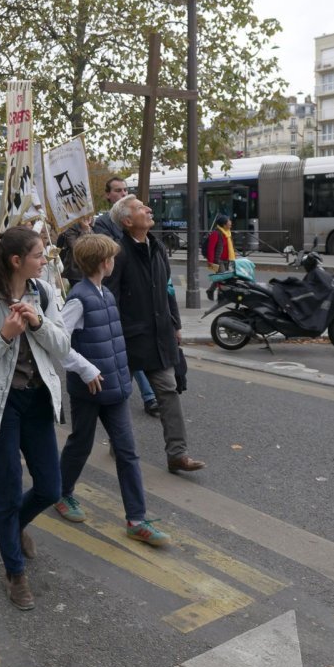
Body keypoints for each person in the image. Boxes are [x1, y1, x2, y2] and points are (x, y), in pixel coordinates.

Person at [0, 227, 70, 611]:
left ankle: (13, 526)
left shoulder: (45, 293)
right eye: (39, 255)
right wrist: (4, 336)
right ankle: (15, 571)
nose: (45, 260)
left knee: (50, 489)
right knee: (8, 488)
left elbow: (63, 345)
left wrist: (37, 324)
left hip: (38, 401)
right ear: (16, 261)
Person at [54, 234, 170, 547]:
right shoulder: (79, 297)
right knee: (81, 443)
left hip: (114, 387)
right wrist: (86, 369)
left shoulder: (105, 293)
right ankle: (62, 493)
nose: (114, 262)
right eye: (112, 258)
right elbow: (58, 344)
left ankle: (136, 519)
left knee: (128, 451)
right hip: (89, 389)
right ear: (104, 262)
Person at [105, 195, 205, 474]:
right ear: (127, 221)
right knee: (120, 396)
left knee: (169, 391)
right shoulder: (118, 253)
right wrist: (113, 333)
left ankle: (177, 454)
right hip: (127, 338)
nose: (148, 210)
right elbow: (110, 297)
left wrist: (175, 324)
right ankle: (119, 443)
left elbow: (167, 289)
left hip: (159, 337)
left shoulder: (158, 246)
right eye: (140, 209)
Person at [93, 178, 158, 417]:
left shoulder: (150, 240)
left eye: (125, 189)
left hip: (138, 309)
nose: (123, 193)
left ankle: (148, 397)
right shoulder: (102, 224)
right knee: (125, 362)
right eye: (118, 190)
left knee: (134, 360)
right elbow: (104, 252)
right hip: (113, 290)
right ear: (109, 195)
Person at [56, 215, 94, 286]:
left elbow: (94, 245)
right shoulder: (70, 229)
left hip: (88, 268)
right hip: (76, 270)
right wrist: (85, 230)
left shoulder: (90, 229)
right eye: (86, 217)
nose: (89, 218)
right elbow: (77, 247)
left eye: (90, 216)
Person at [205, 213, 235, 300]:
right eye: (229, 221)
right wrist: (210, 262)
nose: (231, 223)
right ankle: (221, 296)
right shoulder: (216, 233)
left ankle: (210, 290)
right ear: (224, 224)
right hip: (218, 260)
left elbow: (231, 247)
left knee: (220, 277)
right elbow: (210, 249)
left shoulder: (228, 233)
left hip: (227, 259)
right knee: (223, 278)